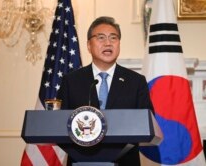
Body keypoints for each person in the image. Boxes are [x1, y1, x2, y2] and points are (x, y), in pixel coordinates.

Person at [57, 16, 154, 166]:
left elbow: (148, 122)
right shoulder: (71, 81)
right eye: (101, 38)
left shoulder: (136, 81)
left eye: (113, 38)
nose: (108, 43)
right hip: (81, 160)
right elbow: (59, 123)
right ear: (89, 45)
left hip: (125, 161)